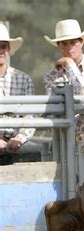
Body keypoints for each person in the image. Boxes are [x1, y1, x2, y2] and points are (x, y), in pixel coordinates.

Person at [43, 19, 84, 139]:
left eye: (73, 42)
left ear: (81, 43)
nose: (69, 47)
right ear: (59, 46)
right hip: (64, 140)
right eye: (64, 44)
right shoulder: (51, 76)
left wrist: (69, 64)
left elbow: (83, 93)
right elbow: (53, 110)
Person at [0, 24, 42, 165]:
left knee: (34, 151)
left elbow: (30, 116)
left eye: (3, 46)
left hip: (17, 141)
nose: (0, 51)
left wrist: (19, 138)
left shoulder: (24, 79)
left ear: (8, 50)